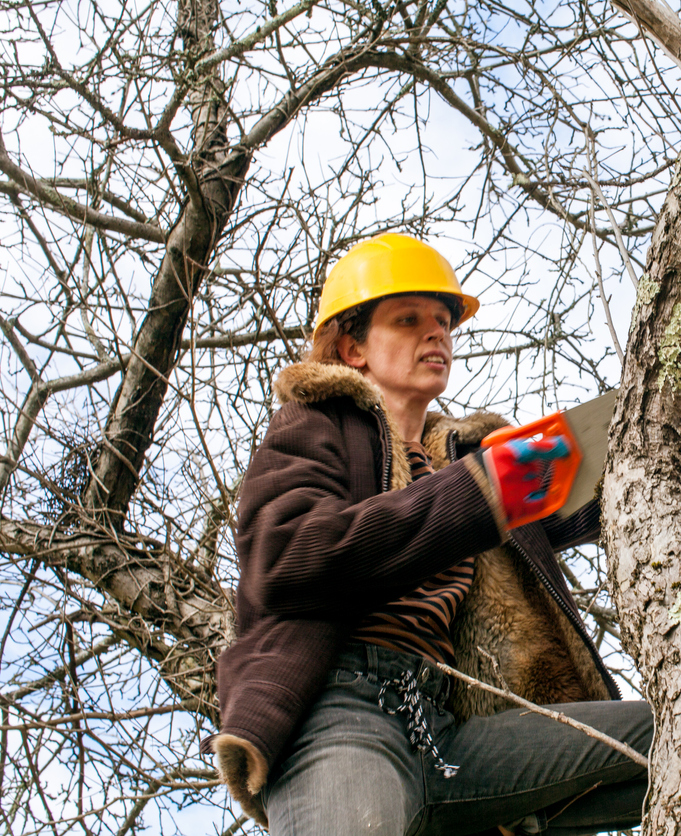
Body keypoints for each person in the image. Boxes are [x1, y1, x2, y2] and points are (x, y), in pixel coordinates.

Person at [203, 233, 652, 836]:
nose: (436, 333)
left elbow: (599, 499)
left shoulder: (459, 455)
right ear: (352, 347)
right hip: (343, 715)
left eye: (444, 321)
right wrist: (483, 490)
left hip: (455, 733)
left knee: (671, 738)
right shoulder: (314, 424)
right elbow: (286, 559)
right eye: (409, 319)